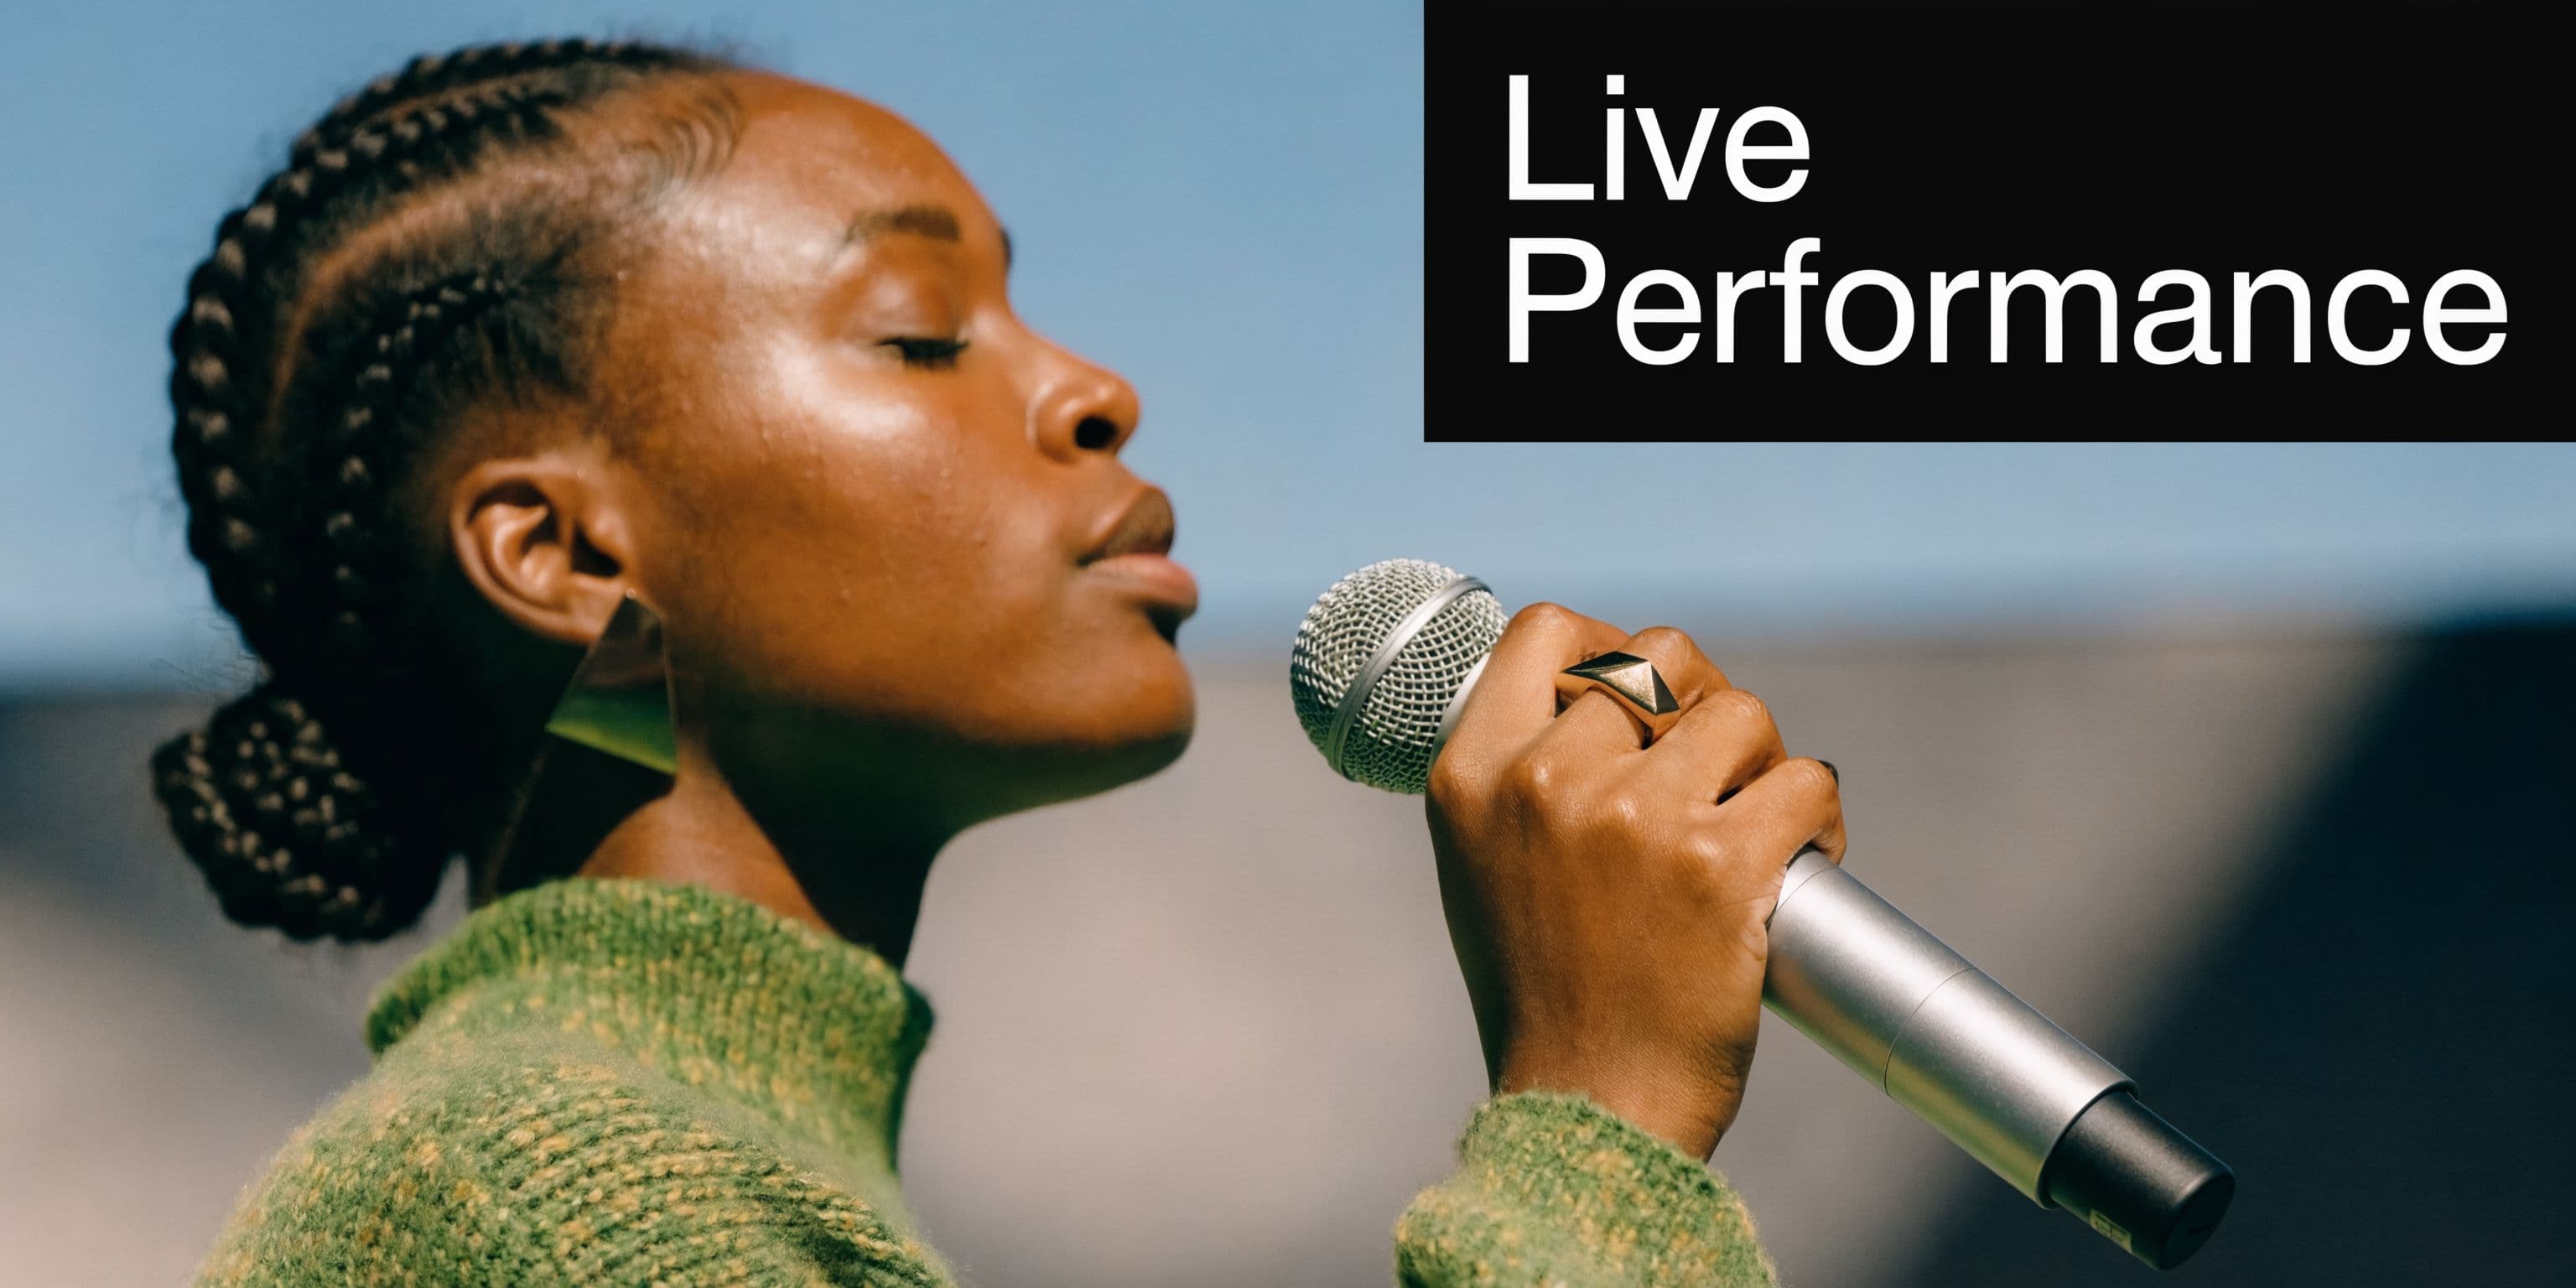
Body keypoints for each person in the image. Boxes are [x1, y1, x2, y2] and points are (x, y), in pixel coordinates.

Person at [152, 38, 1846, 1287]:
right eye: (921, 334)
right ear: (570, 553)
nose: (1092, 387)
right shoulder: (531, 1190)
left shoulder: (647, 1167)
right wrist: (1597, 1131)